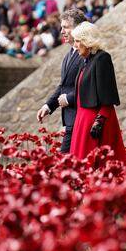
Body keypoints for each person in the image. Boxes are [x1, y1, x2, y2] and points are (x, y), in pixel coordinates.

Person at [69, 21, 126, 168]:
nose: (75, 45)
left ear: (87, 41)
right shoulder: (86, 61)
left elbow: (108, 96)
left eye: (77, 41)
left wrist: (99, 121)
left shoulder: (102, 59)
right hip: (82, 120)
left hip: (96, 122)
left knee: (99, 167)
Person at [36, 9, 86, 153]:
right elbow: (64, 85)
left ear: (77, 29)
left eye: (65, 27)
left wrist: (69, 98)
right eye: (61, 27)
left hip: (80, 119)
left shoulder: (86, 53)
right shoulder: (69, 54)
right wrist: (48, 106)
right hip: (72, 121)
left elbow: (88, 86)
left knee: (65, 166)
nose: (62, 31)